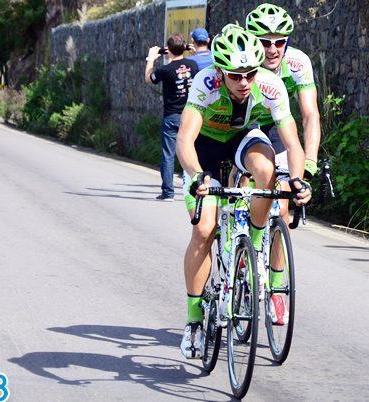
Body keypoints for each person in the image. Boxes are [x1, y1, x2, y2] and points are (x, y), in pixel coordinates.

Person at [175, 24, 311, 358]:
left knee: (266, 171)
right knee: (204, 230)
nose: (244, 82)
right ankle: (194, 320)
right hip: (205, 150)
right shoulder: (205, 83)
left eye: (250, 73)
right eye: (236, 76)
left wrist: (297, 179)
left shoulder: (270, 85)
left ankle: (256, 235)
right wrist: (195, 175)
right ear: (220, 71)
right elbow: (184, 139)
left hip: (242, 140)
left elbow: (292, 141)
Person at [246, 4, 322, 325]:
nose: (273, 48)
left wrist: (309, 165)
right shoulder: (243, 66)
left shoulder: (297, 62)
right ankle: (246, 246)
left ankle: (277, 288)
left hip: (281, 127)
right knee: (248, 185)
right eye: (265, 41)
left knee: (282, 206)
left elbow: (310, 115)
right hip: (247, 125)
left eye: (279, 41)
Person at [145, 35, 199, 201]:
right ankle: (195, 190)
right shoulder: (193, 64)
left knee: (168, 155)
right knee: (193, 152)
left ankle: (168, 193)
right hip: (191, 115)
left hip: (172, 116)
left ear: (168, 50)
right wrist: (190, 50)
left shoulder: (166, 70)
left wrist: (151, 59)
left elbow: (149, 78)